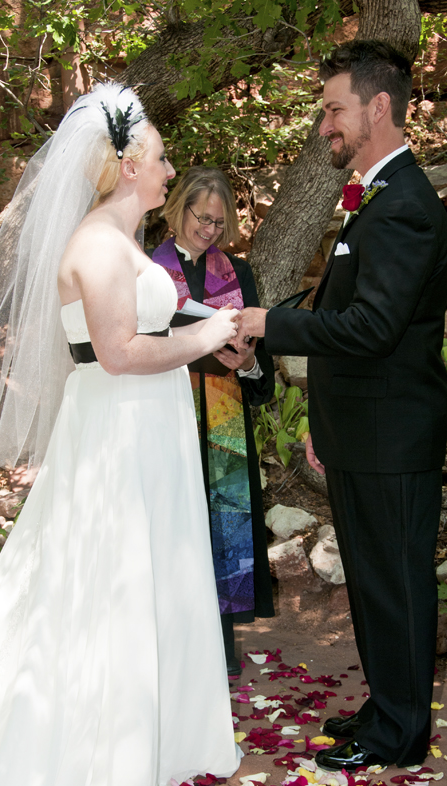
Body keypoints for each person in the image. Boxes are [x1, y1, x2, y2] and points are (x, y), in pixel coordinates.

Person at [0, 83, 242, 786]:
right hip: (118, 431)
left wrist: (215, 327)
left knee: (148, 574)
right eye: (161, 157)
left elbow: (155, 318)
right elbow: (117, 352)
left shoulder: (121, 241)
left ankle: (156, 736)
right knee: (109, 581)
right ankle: (106, 759)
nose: (169, 169)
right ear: (129, 165)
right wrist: (206, 335)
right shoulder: (98, 245)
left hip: (147, 428)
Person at [238, 39, 447, 770]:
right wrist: (322, 421)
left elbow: (371, 328)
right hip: (363, 431)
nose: (325, 125)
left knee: (395, 584)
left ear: (378, 107)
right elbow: (345, 313)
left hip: (392, 437)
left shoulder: (407, 207)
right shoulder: (378, 197)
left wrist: (269, 323)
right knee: (372, 581)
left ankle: (401, 733)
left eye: (335, 110)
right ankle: (387, 707)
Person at [152, 167, 275, 677]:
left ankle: (219, 652)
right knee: (172, 528)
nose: (209, 231)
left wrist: (246, 362)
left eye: (219, 224)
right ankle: (169, 649)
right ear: (177, 208)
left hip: (224, 424)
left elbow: (262, 378)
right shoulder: (147, 272)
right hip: (165, 417)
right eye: (202, 218)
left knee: (219, 532)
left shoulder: (238, 275)